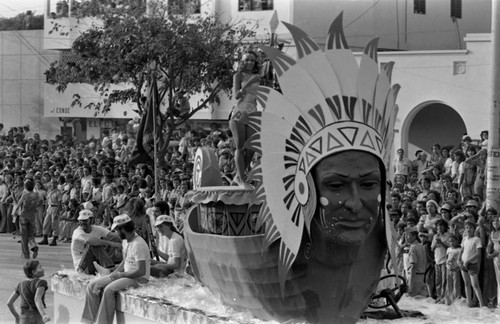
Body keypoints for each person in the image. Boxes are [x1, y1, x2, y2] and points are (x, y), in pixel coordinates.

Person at [81, 214, 150, 324]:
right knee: (92, 286)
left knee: (109, 290)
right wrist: (113, 273)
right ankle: (87, 321)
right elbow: (125, 261)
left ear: (123, 229)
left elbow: (141, 271)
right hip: (126, 275)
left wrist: (120, 275)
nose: (116, 233)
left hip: (139, 279)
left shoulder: (138, 244)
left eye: (117, 230)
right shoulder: (126, 241)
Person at [229, 50, 260, 187]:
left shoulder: (258, 76)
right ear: (242, 61)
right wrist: (249, 83)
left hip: (253, 112)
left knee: (252, 147)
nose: (250, 63)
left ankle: (238, 175)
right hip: (240, 112)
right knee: (240, 146)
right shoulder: (238, 75)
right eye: (247, 60)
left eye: (252, 60)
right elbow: (236, 95)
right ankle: (241, 179)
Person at [71, 209, 122, 274]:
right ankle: (109, 268)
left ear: (91, 220)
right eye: (80, 221)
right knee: (94, 244)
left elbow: (114, 236)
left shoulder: (97, 229)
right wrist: (111, 243)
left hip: (95, 262)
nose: (82, 223)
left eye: (85, 221)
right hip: (82, 266)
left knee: (116, 239)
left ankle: (119, 264)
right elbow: (88, 240)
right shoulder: (77, 232)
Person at [459, 220, 485, 307]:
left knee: (475, 285)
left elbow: (478, 254)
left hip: (472, 264)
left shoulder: (477, 239)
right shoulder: (464, 239)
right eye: (467, 227)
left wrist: (468, 261)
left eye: (470, 227)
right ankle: (469, 302)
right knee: (466, 284)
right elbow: (461, 250)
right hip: (463, 263)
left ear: (474, 229)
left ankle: (481, 304)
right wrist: (459, 260)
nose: (468, 229)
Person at [17, 180, 41, 259]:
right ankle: (33, 246)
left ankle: (26, 255)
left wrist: (14, 213)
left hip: (24, 216)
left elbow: (18, 204)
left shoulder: (25, 195)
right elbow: (40, 201)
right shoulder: (36, 195)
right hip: (32, 216)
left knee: (24, 237)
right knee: (31, 235)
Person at [39, 177, 62, 246]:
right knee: (46, 223)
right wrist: (45, 210)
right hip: (49, 207)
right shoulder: (49, 191)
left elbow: (59, 203)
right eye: (52, 183)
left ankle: (54, 239)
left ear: (56, 184)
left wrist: (57, 212)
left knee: (54, 223)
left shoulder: (58, 192)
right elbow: (47, 201)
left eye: (54, 183)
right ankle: (45, 238)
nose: (53, 184)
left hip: (55, 207)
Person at [406, 226, 428, 297]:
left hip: (415, 276)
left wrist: (411, 284)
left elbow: (413, 266)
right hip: (421, 275)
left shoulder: (413, 248)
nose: (406, 237)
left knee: (413, 300)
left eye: (408, 235)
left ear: (414, 236)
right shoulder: (421, 245)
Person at [445, 234, 462, 305]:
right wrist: (447, 263)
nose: (451, 243)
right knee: (448, 285)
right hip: (448, 269)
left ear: (457, 241)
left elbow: (460, 259)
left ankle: (456, 301)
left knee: (456, 285)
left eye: (453, 241)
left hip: (456, 270)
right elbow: (446, 257)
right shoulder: (448, 249)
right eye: (450, 241)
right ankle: (448, 301)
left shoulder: (459, 250)